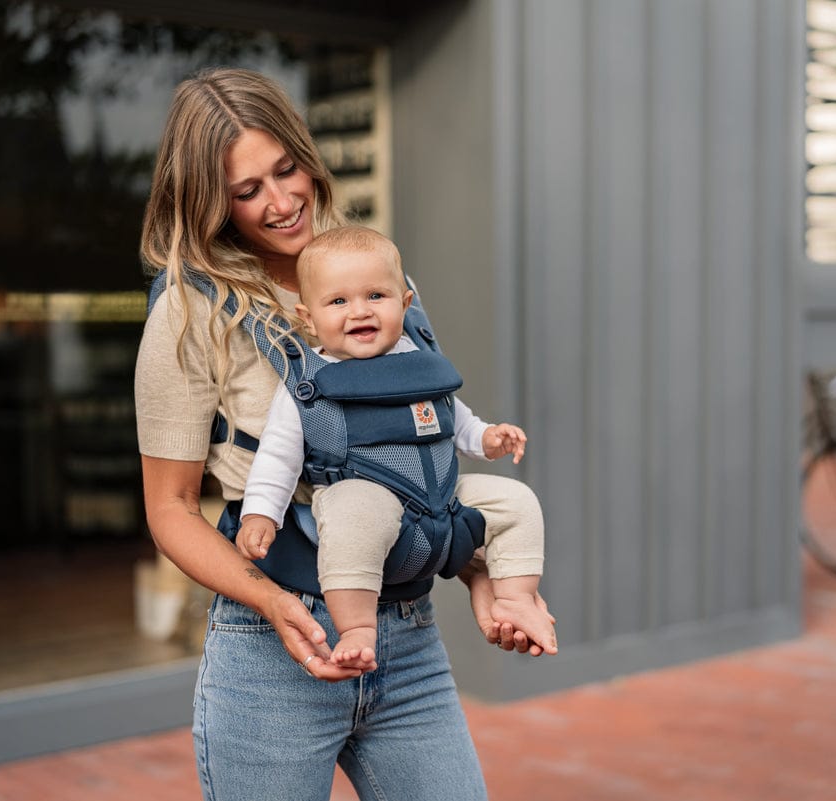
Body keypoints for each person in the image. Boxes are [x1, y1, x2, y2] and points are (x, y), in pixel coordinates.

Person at [134, 67, 552, 801]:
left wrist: (484, 575)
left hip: (408, 644)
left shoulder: (375, 273)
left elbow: (413, 461)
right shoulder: (190, 311)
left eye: (285, 169)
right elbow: (169, 509)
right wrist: (274, 605)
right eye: (247, 190)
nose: (281, 201)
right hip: (273, 657)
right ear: (211, 203)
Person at [235, 225, 557, 672]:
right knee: (354, 514)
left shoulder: (418, 361)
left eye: (376, 296)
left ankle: (516, 597)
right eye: (338, 301)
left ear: (405, 305)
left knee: (515, 499)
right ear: (308, 319)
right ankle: (357, 627)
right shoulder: (309, 383)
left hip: (442, 502)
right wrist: (260, 514)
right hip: (363, 498)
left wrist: (486, 438)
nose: (360, 311)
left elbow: (453, 417)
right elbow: (277, 457)